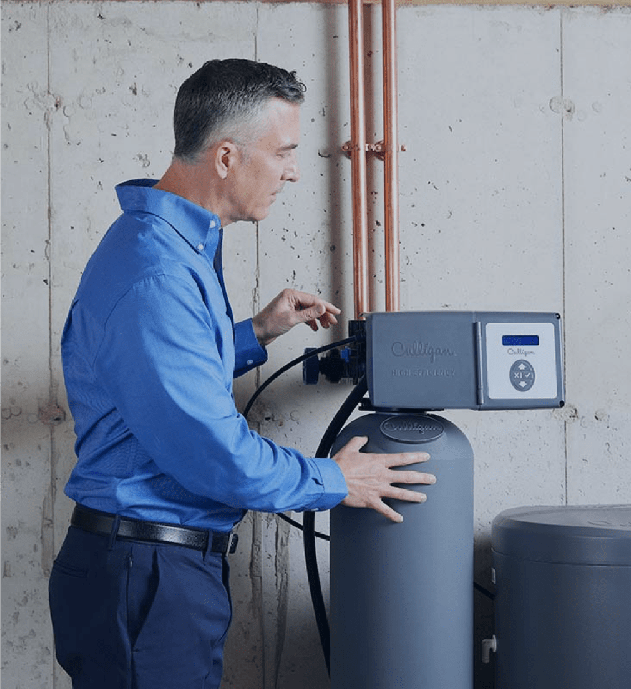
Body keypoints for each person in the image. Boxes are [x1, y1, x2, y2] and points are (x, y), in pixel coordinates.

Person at [49, 58, 436, 689]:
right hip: (148, 575)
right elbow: (214, 456)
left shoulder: (171, 248)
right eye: (283, 151)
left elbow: (152, 380)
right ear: (226, 156)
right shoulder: (160, 276)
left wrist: (255, 333)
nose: (291, 169)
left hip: (153, 569)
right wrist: (336, 479)